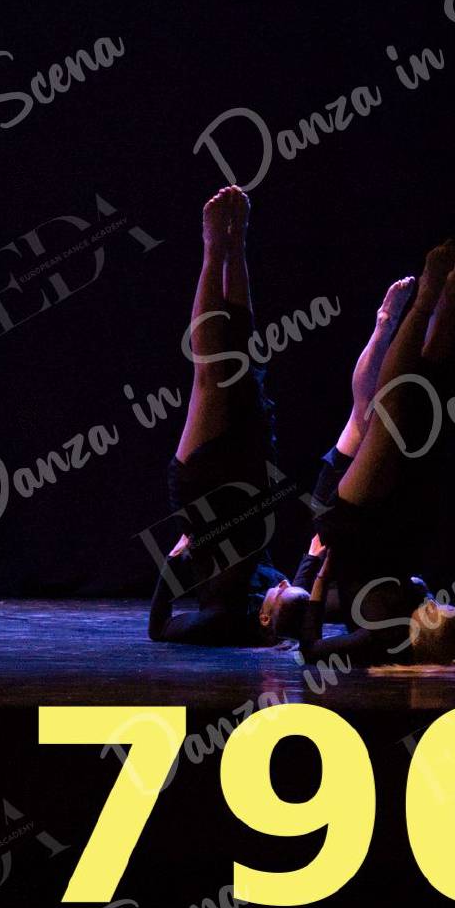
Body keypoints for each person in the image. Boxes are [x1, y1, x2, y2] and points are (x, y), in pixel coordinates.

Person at [294, 239, 455, 668]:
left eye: (442, 612)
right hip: (396, 523)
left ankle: (427, 298)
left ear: (428, 631)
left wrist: (320, 579)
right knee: (427, 397)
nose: (443, 605)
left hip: (355, 528)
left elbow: (311, 650)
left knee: (388, 413)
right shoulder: (413, 612)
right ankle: (453, 292)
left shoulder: (382, 638)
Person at [147, 187, 293, 645]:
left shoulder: (224, 621)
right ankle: (237, 246)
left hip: (206, 500)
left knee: (210, 373)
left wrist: (174, 562)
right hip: (252, 484)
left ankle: (213, 250)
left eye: (284, 595)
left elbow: (159, 627)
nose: (285, 586)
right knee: (242, 359)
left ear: (266, 618)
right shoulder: (279, 602)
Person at [261, 274, 415, 641]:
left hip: (337, 517)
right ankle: (406, 324)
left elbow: (303, 583)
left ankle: (389, 324)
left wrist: (312, 562)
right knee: (375, 418)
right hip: (355, 523)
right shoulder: (330, 603)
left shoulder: (308, 595)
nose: (279, 587)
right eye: (277, 595)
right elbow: (301, 603)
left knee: (363, 415)